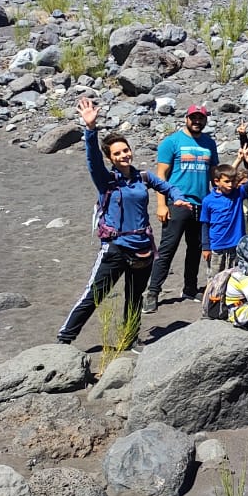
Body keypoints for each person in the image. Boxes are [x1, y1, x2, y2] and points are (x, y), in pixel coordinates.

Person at [58, 98, 193, 346]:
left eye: (126, 150)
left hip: (142, 247)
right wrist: (90, 129)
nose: (124, 155)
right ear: (110, 157)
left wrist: (179, 198)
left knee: (134, 298)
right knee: (95, 294)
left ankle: (129, 339)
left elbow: (167, 186)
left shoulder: (143, 177)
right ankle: (65, 338)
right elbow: (92, 161)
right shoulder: (106, 180)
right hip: (116, 248)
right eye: (117, 153)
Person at [144, 105, 219, 312]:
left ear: (205, 120)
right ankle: (152, 292)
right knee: (167, 249)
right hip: (177, 203)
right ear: (186, 118)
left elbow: (214, 174)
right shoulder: (172, 142)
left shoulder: (209, 143)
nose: (197, 121)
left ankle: (190, 287)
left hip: (201, 203)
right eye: (193, 117)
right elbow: (161, 176)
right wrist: (161, 204)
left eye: (201, 118)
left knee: (195, 248)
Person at [200, 157, 248, 274]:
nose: (230, 185)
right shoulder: (208, 200)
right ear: (217, 181)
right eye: (227, 182)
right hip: (217, 245)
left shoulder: (237, 194)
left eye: (233, 181)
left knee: (237, 276)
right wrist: (205, 247)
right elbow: (205, 224)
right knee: (215, 278)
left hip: (236, 244)